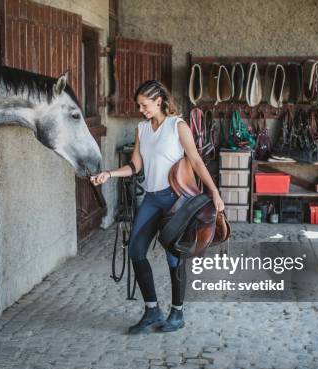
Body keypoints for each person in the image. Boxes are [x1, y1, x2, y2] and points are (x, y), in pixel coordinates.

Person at [91, 80, 224, 334]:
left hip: (176, 200)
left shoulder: (178, 126)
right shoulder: (142, 128)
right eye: (140, 106)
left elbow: (195, 161)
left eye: (145, 105)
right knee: (136, 251)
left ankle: (177, 313)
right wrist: (109, 173)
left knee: (174, 256)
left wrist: (214, 192)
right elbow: (135, 166)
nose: (142, 110)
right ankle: (152, 310)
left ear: (159, 100)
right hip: (151, 199)